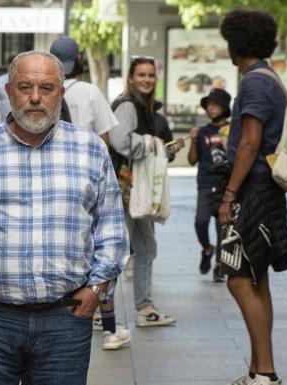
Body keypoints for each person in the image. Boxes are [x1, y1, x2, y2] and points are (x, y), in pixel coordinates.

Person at [0, 51, 128, 384]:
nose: (35, 98)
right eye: (25, 87)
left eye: (47, 88)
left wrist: (98, 287)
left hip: (65, 322)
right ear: (8, 92)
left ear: (61, 94)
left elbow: (111, 228)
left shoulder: (90, 149)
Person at [219, 10, 287, 385]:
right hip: (268, 193)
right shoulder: (272, 79)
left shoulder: (254, 83)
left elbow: (250, 143)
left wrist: (229, 195)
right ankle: (258, 370)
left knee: (238, 279)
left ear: (236, 43)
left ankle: (265, 373)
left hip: (253, 191)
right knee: (256, 279)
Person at [50, 35, 129, 351]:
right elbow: (106, 141)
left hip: (53, 180)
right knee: (101, 250)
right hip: (87, 182)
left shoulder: (46, 90)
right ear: (79, 59)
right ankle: (109, 326)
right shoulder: (91, 93)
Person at [109, 56, 184, 328]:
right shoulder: (128, 105)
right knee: (117, 251)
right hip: (126, 186)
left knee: (146, 247)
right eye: (141, 74)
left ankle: (144, 307)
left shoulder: (145, 107)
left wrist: (164, 149)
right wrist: (152, 143)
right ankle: (99, 311)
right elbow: (120, 141)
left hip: (136, 187)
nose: (147, 79)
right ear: (131, 77)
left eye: (151, 75)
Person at [188, 88, 231, 283]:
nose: (211, 108)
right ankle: (207, 248)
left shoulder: (232, 130)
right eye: (209, 105)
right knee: (201, 221)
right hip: (205, 183)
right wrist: (193, 139)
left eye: (215, 104)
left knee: (223, 226)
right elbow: (191, 160)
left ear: (224, 107)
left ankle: (220, 265)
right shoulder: (202, 131)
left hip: (225, 184)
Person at [50, 36, 116, 145]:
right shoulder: (90, 92)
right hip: (86, 160)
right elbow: (104, 139)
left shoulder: (42, 92)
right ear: (79, 58)